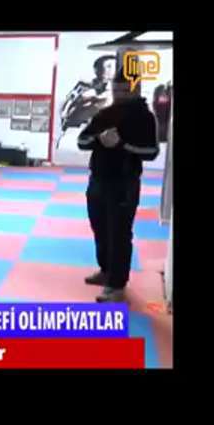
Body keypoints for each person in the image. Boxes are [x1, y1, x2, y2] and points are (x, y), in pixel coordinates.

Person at [77, 72, 159, 303]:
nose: (119, 95)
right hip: (98, 180)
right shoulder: (104, 114)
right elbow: (82, 141)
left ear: (136, 89)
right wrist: (99, 139)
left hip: (124, 184)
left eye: (124, 91)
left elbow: (151, 152)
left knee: (119, 234)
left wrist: (122, 144)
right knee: (100, 228)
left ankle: (116, 285)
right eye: (116, 90)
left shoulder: (145, 118)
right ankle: (106, 271)